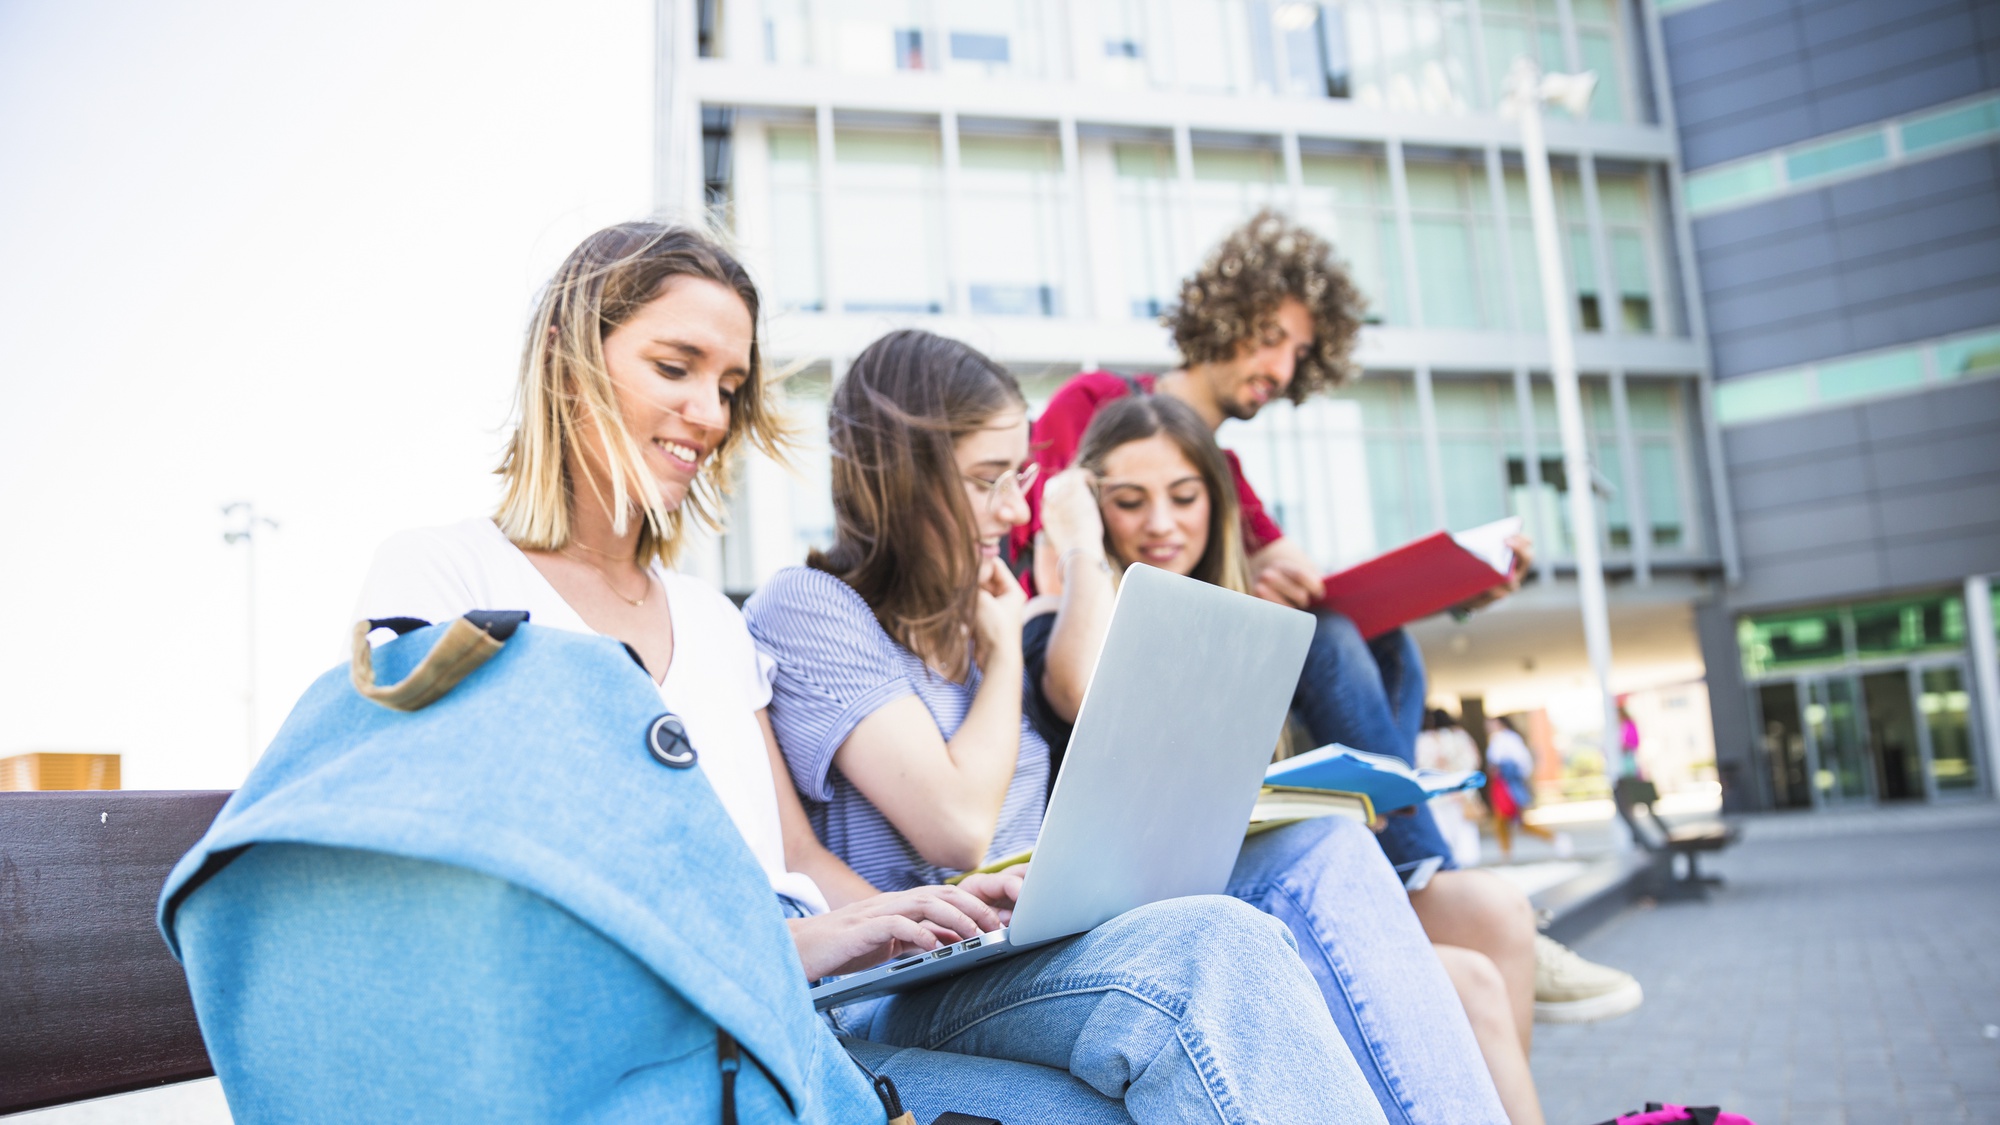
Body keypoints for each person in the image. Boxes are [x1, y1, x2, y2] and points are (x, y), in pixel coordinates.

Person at [351, 221, 1391, 1124]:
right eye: (675, 368)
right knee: (1206, 960)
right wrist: (778, 947)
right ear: (564, 354)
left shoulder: (713, 623)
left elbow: (794, 853)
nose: (710, 416)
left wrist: (921, 924)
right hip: (665, 1036)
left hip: (801, 1013)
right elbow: (478, 884)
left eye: (728, 386)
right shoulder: (444, 572)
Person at [747, 328, 1509, 1125]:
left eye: (1018, 478)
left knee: (1326, 847)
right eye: (986, 481)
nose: (1012, 509)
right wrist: (1005, 645)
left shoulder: (980, 608)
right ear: (899, 483)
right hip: (912, 981)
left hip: (1038, 934)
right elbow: (955, 827)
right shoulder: (814, 607)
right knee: (1214, 948)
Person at [1013, 211, 1645, 1052]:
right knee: (1337, 633)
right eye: (1271, 337)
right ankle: (1423, 870)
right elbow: (1048, 536)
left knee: (1375, 638)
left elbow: (1302, 583)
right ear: (1223, 314)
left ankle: (1408, 859)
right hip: (1095, 665)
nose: (1280, 366)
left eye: (1299, 354)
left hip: (1205, 689)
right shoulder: (1097, 402)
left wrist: (1466, 585)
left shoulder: (1230, 477)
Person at [1025, 393, 1542, 1125]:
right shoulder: (1069, 608)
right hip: (1171, 906)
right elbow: (1079, 688)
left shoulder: (1243, 609)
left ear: (1217, 496)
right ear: (1091, 503)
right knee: (1470, 986)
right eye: (1128, 501)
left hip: (1285, 866)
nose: (1162, 523)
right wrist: (1075, 539)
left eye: (1184, 495)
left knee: (1499, 913)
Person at [1484, 716, 1567, 860]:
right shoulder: (1500, 739)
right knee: (1506, 822)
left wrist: (1513, 777)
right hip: (1501, 784)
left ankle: (1554, 838)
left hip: (1506, 785)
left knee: (1508, 821)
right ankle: (1506, 853)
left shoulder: (1507, 738)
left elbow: (1521, 763)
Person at [1416, 709, 1485, 869]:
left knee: (1444, 835)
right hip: (1460, 793)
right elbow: (1473, 762)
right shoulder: (1459, 737)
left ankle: (1451, 868)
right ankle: (1466, 872)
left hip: (1435, 796)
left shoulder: (1421, 740)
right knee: (1465, 837)